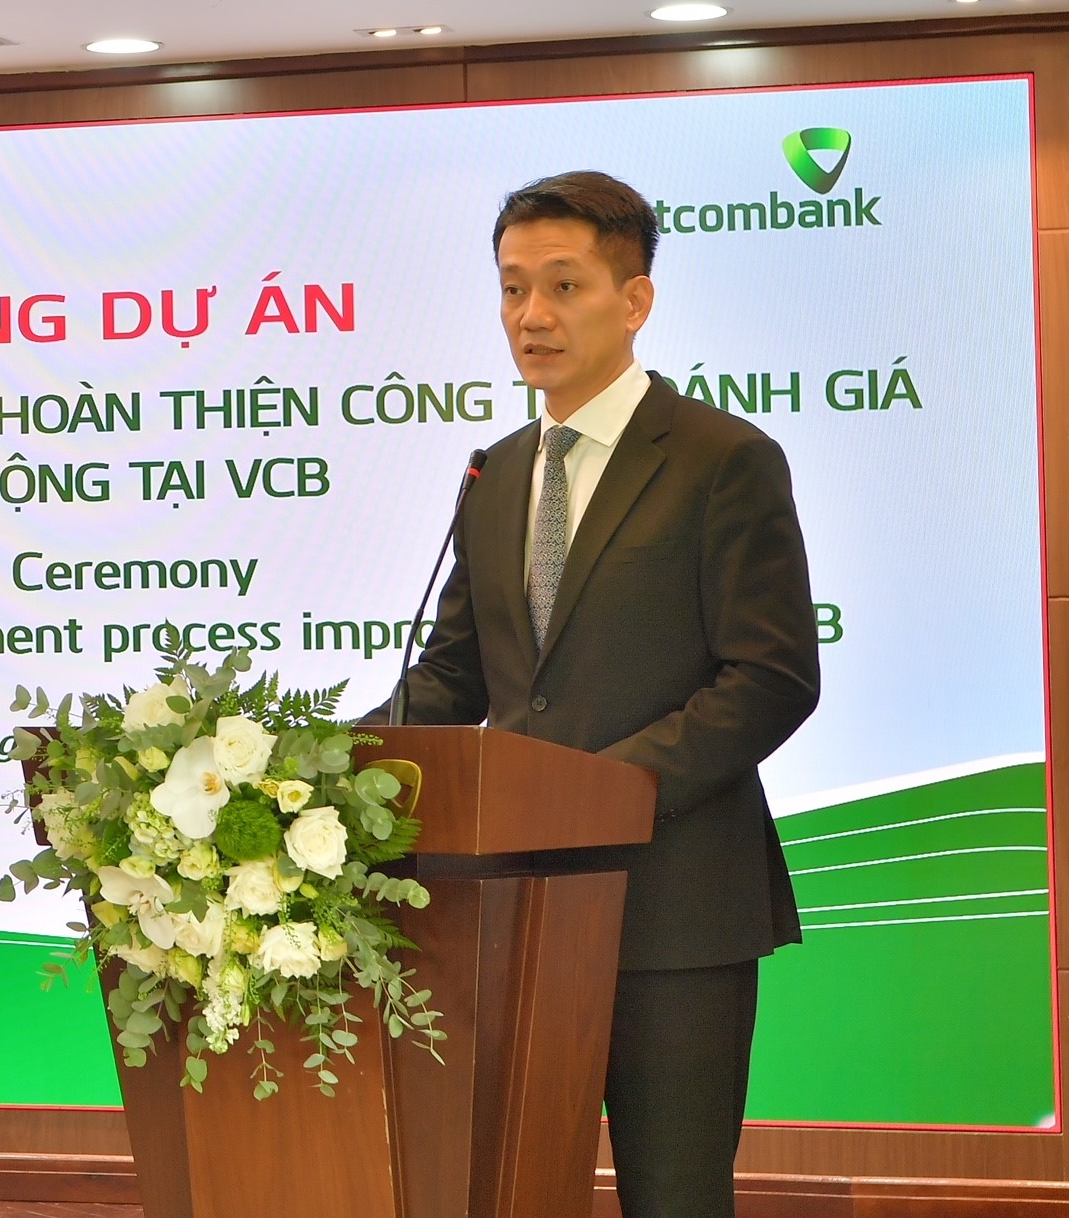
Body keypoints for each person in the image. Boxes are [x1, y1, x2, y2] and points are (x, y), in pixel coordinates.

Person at [378, 171, 820, 1218]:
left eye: (563, 286)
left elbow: (770, 677)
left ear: (634, 301)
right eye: (512, 287)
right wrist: (322, 768)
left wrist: (595, 793)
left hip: (676, 911)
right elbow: (455, 676)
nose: (531, 315)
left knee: (674, 1198)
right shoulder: (495, 473)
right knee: (508, 1189)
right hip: (509, 913)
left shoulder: (723, 459)